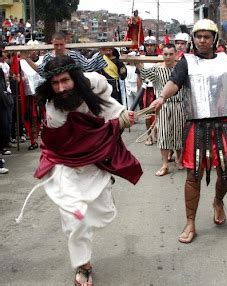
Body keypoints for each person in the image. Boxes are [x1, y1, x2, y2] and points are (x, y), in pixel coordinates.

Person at [22, 55, 143, 284]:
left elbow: (106, 104)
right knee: (73, 216)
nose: (60, 88)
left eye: (65, 81)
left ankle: (103, 191)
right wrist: (113, 127)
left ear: (76, 78)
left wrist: (121, 116)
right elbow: (69, 144)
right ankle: (83, 265)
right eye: (55, 83)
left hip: (95, 162)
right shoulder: (54, 112)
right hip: (66, 163)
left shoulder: (95, 82)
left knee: (100, 211)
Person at [149, 19, 227, 244]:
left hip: (225, 124)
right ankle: (190, 221)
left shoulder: (226, 62)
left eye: (207, 36)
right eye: (198, 36)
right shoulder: (185, 62)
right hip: (197, 126)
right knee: (193, 175)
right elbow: (174, 83)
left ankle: (218, 200)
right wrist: (161, 98)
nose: (202, 40)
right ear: (193, 39)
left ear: (214, 39)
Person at [137, 43, 186, 176]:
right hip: (163, 106)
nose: (168, 57)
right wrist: (136, 61)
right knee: (163, 134)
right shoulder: (157, 69)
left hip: (180, 105)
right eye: (165, 54)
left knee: (179, 134)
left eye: (171, 54)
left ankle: (180, 160)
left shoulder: (181, 69)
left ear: (175, 54)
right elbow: (143, 73)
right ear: (162, 55)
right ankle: (165, 165)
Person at [24, 32, 107, 78]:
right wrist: (27, 59)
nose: (59, 47)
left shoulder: (74, 55)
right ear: (52, 43)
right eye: (56, 45)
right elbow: (41, 71)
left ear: (65, 43)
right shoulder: (48, 57)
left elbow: (87, 66)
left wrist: (101, 54)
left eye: (61, 44)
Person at [136, 35, 159, 145]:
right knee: (148, 114)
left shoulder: (160, 58)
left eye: (152, 45)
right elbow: (139, 78)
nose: (149, 47)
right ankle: (149, 136)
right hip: (146, 91)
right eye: (147, 45)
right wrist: (139, 93)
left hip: (158, 90)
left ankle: (158, 134)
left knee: (159, 114)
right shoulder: (141, 60)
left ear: (155, 46)